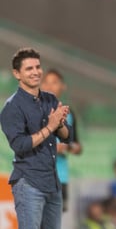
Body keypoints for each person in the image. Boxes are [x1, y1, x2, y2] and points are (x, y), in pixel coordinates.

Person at [0, 48, 73, 229]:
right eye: (29, 69)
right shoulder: (12, 107)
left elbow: (67, 137)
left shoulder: (50, 99)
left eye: (38, 67)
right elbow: (20, 145)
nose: (36, 72)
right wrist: (50, 126)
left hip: (52, 183)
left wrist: (60, 124)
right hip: (29, 183)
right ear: (17, 73)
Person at [41, 68, 82, 212]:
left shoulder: (69, 114)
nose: (50, 86)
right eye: (46, 82)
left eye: (55, 82)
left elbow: (78, 147)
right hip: (39, 176)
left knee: (55, 221)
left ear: (63, 86)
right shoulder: (35, 110)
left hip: (60, 177)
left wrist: (67, 147)